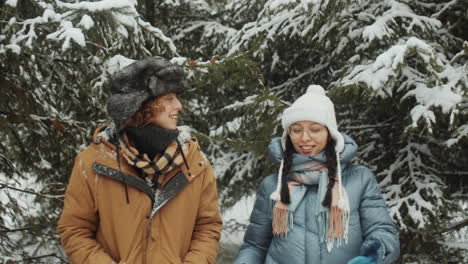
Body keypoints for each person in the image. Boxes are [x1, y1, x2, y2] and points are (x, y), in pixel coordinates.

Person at [58, 57, 223, 264]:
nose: (179, 106)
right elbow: (75, 230)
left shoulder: (195, 162)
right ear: (143, 105)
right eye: (169, 98)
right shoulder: (93, 162)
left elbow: (207, 227)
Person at [234, 85, 399, 264]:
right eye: (296, 130)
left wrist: (374, 253)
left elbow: (382, 229)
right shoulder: (273, 185)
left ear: (330, 134)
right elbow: (255, 245)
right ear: (288, 135)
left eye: (315, 129)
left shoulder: (359, 179)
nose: (304, 138)